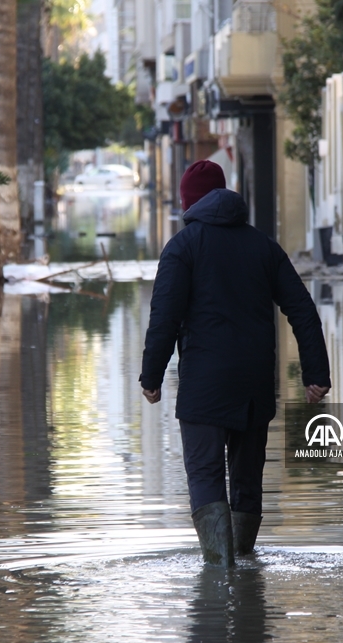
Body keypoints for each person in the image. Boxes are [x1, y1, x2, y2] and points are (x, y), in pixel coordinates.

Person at [139, 160, 331, 566]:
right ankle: (244, 572)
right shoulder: (263, 246)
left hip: (204, 389)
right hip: (254, 387)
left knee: (206, 476)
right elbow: (302, 310)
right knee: (246, 480)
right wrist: (315, 374)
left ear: (190, 202)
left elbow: (165, 319)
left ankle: (221, 571)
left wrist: (151, 376)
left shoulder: (182, 247)